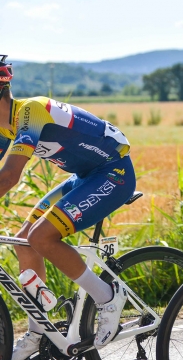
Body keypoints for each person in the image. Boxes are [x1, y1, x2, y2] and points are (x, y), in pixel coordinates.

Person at [0, 55, 136, 359]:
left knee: (41, 238)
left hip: (114, 173)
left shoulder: (30, 112)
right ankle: (39, 332)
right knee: (25, 244)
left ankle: (108, 297)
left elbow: (9, 176)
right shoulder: (5, 126)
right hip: (84, 176)